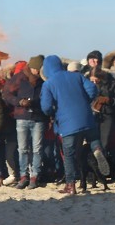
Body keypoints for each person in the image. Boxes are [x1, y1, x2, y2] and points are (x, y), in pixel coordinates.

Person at [40, 56, 99, 195]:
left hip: (67, 123)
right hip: (87, 118)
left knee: (69, 154)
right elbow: (93, 89)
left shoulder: (48, 84)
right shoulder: (76, 76)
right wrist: (85, 102)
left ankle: (70, 185)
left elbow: (46, 107)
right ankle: (97, 149)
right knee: (93, 139)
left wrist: (54, 112)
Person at [2, 55, 48, 189]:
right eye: (36, 69)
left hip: (38, 117)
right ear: (31, 67)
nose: (38, 72)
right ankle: (23, 176)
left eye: (40, 69)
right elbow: (6, 94)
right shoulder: (19, 78)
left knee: (37, 148)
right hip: (22, 117)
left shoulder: (44, 79)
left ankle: (35, 176)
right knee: (22, 148)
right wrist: (19, 102)